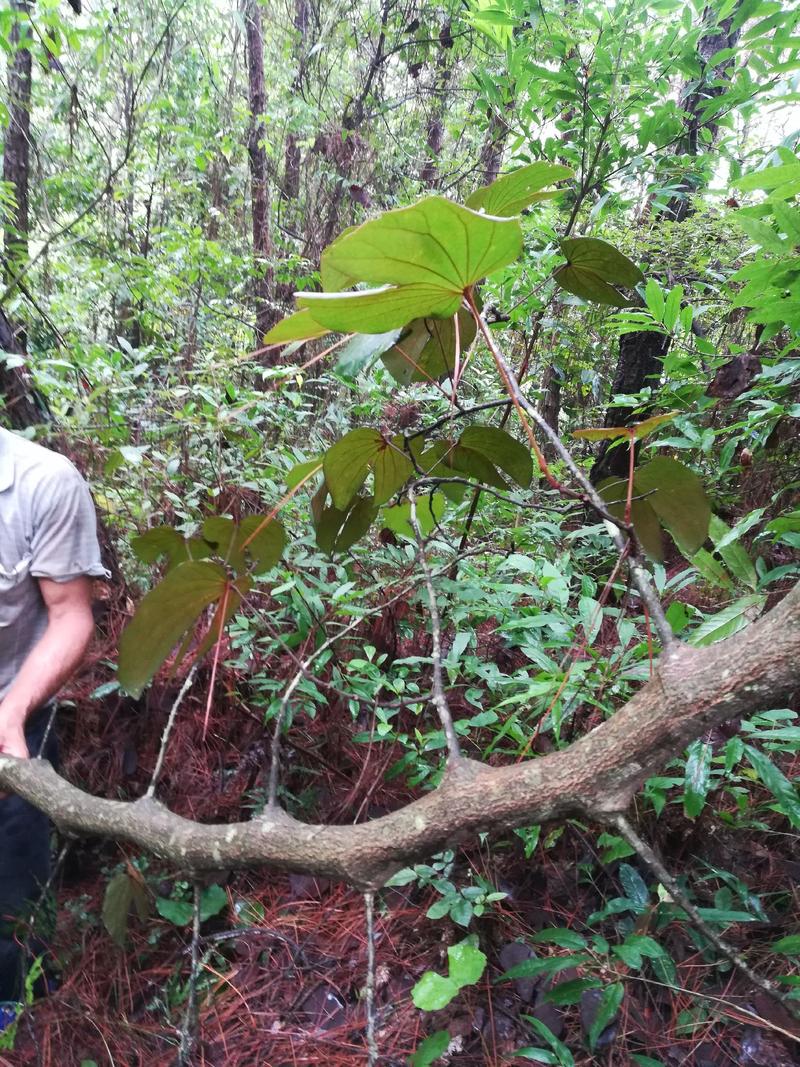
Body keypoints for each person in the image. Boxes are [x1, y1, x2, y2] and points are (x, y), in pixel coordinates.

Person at [0, 425, 107, 1006]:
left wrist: (11, 712)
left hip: (11, 709)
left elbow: (70, 616)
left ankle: (16, 1010)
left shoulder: (44, 483)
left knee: (12, 884)